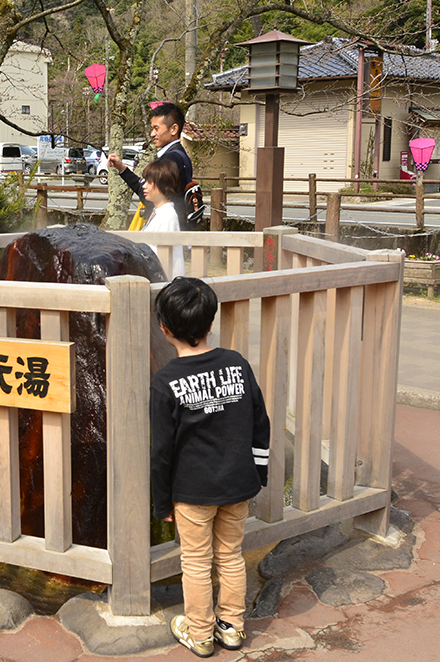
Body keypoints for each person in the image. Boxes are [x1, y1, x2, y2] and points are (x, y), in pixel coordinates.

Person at [149, 278, 271, 657]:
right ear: (211, 323)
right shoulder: (237, 364)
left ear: (164, 329)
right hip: (237, 484)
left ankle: (200, 633)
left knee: (197, 563)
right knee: (231, 556)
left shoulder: (166, 382)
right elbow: (260, 424)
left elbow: (161, 452)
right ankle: (232, 627)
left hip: (192, 492)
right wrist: (260, 473)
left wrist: (161, 503)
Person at [108, 102, 194, 230]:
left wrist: (124, 171)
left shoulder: (170, 159)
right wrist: (122, 168)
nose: (152, 134)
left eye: (156, 128)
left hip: (166, 231)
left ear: (173, 129)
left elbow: (150, 198)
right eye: (152, 129)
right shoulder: (181, 156)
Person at [140, 158, 185, 278]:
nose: (144, 186)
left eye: (149, 182)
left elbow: (165, 257)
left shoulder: (168, 216)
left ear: (164, 184)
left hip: (166, 283)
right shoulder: (159, 212)